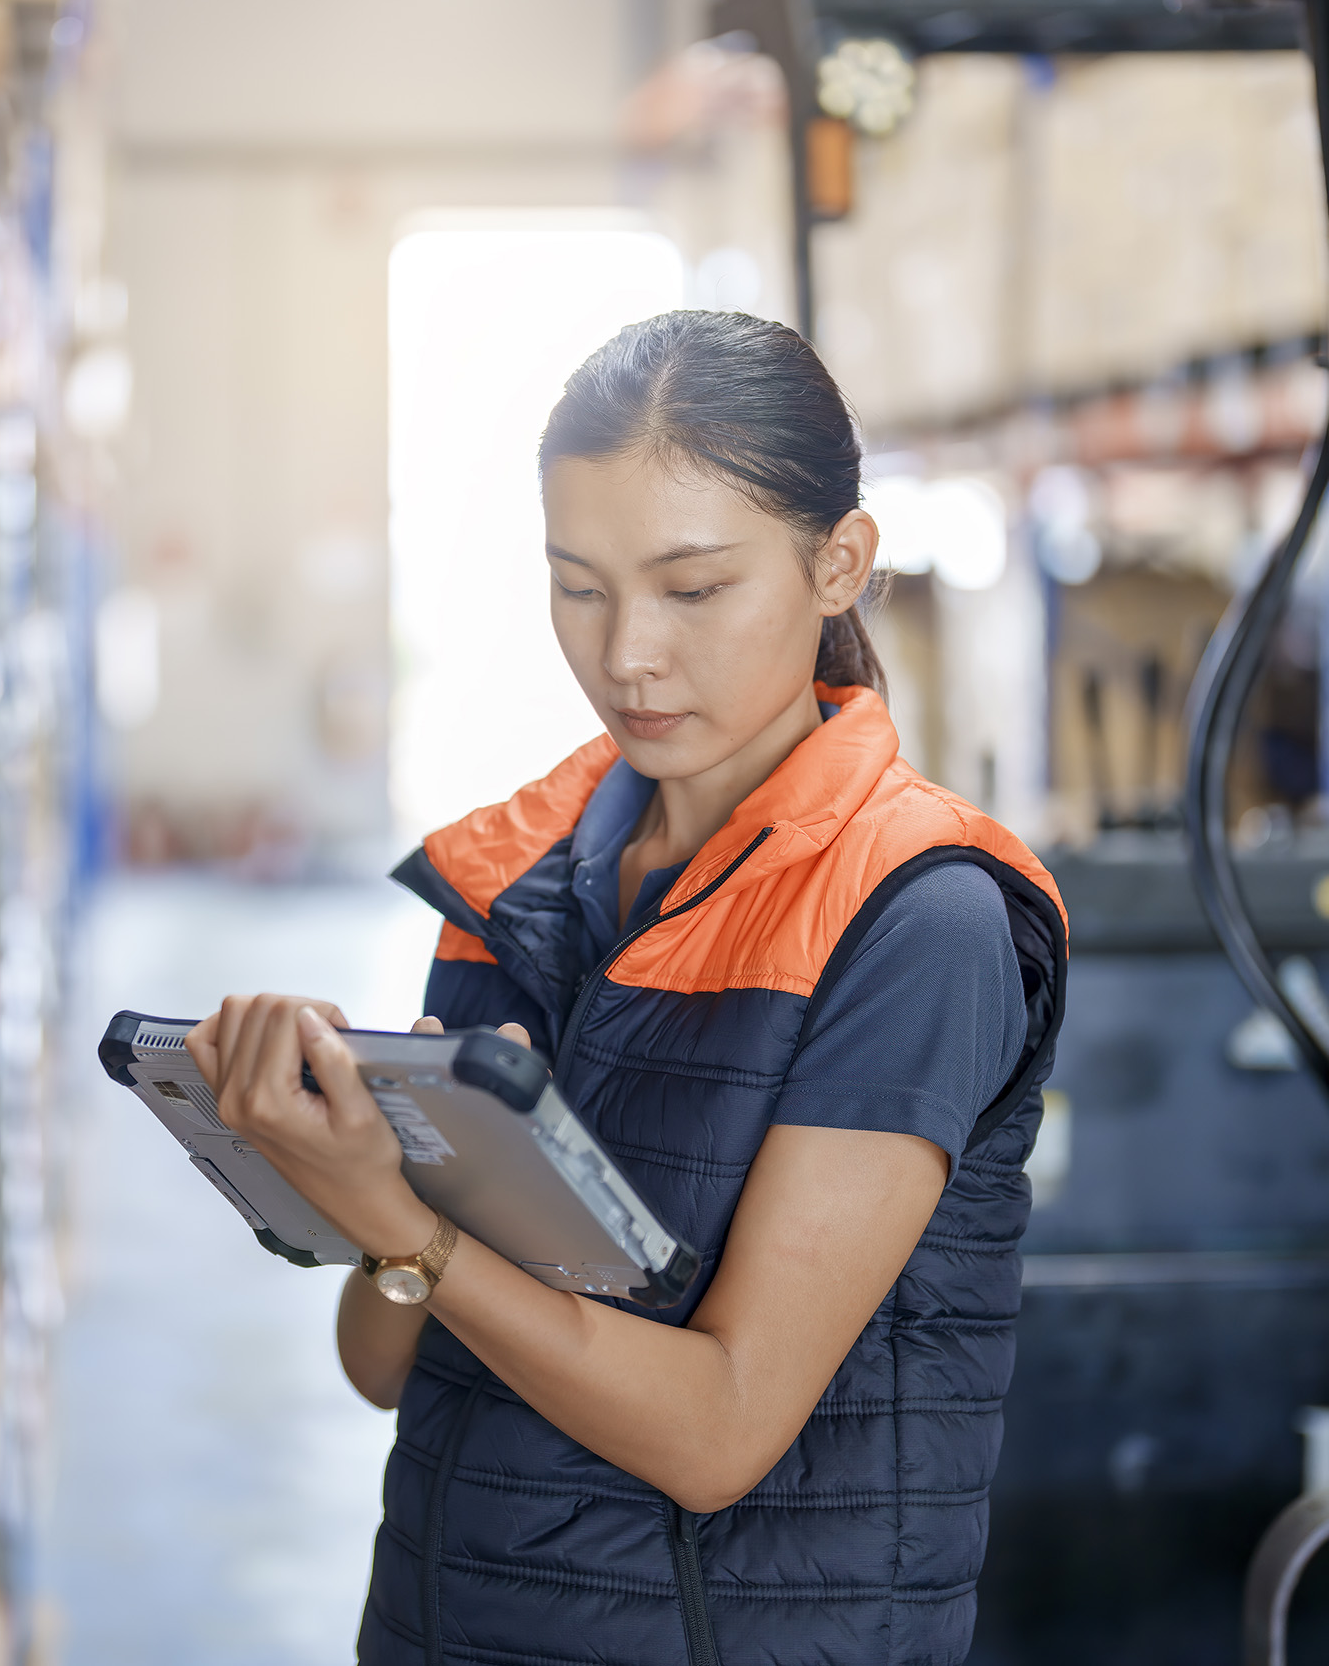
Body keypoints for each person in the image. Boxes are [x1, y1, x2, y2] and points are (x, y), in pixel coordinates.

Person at [186, 310, 1066, 1666]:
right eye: (578, 586)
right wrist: (357, 1175)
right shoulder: (519, 886)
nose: (627, 654)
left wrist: (410, 1230)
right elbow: (384, 1366)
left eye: (693, 587)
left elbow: (719, 1435)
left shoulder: (918, 918)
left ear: (841, 563)